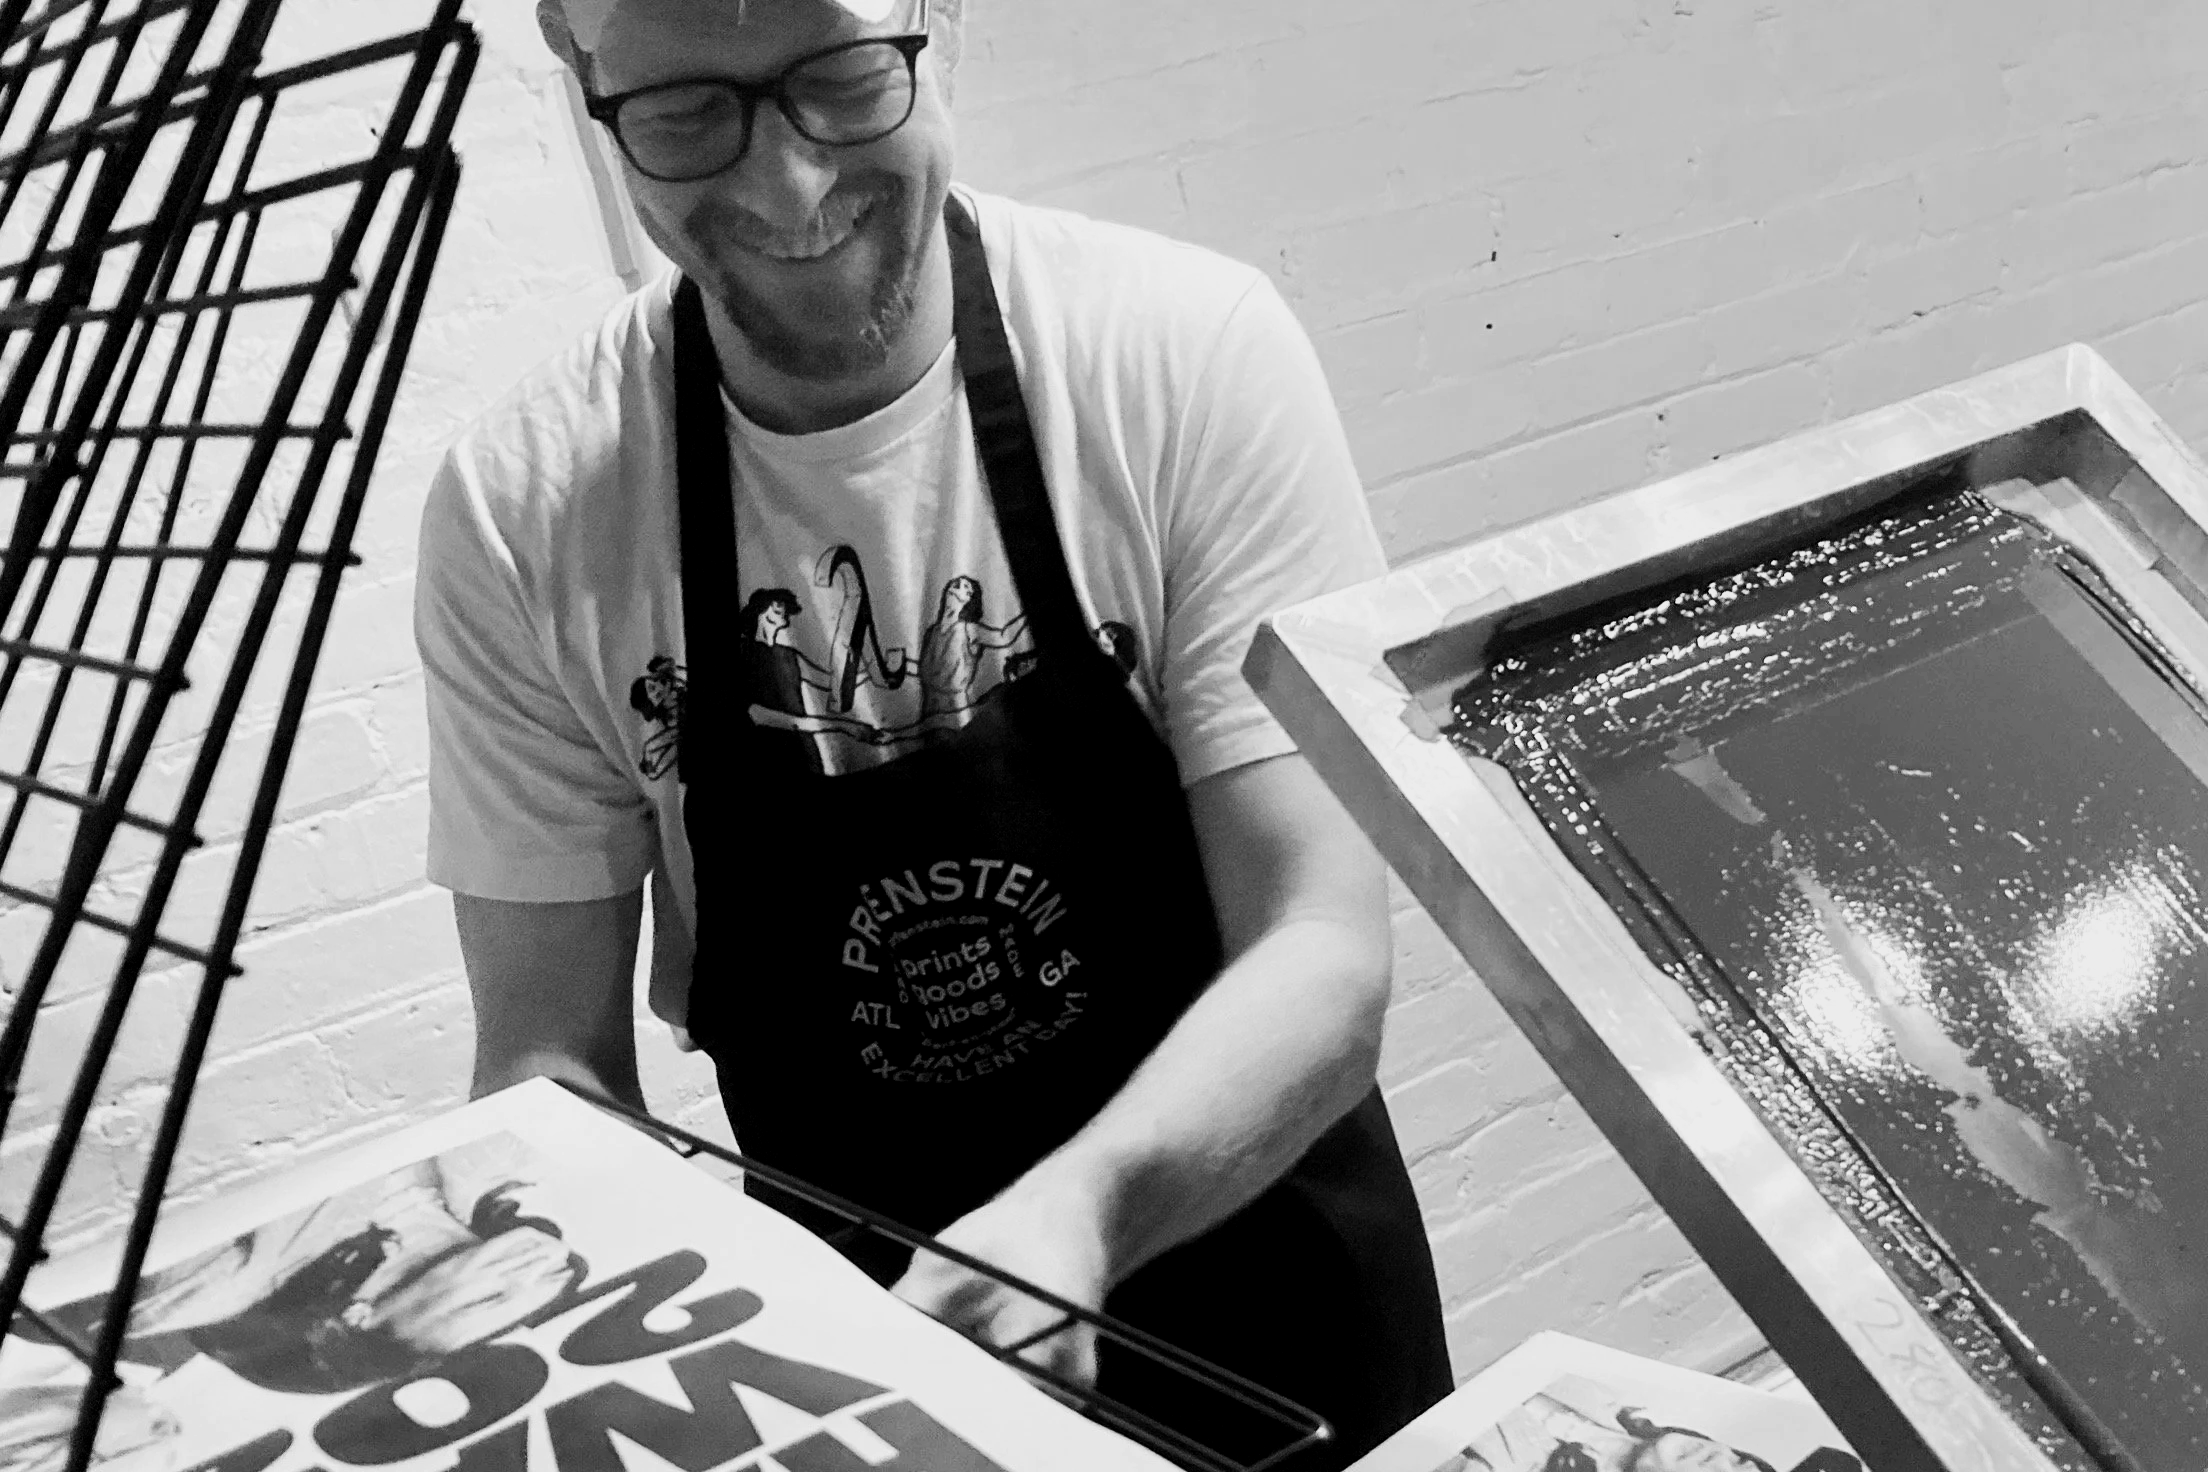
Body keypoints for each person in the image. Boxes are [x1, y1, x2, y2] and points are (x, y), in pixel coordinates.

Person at [413, 0, 1452, 1463]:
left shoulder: (1177, 354)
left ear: (935, 28)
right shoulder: (526, 512)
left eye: (843, 82)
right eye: (686, 114)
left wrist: (1082, 1211)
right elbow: (547, 1068)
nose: (785, 187)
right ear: (585, 86)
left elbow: (1324, 948)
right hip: (874, 1360)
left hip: (1278, 1287)